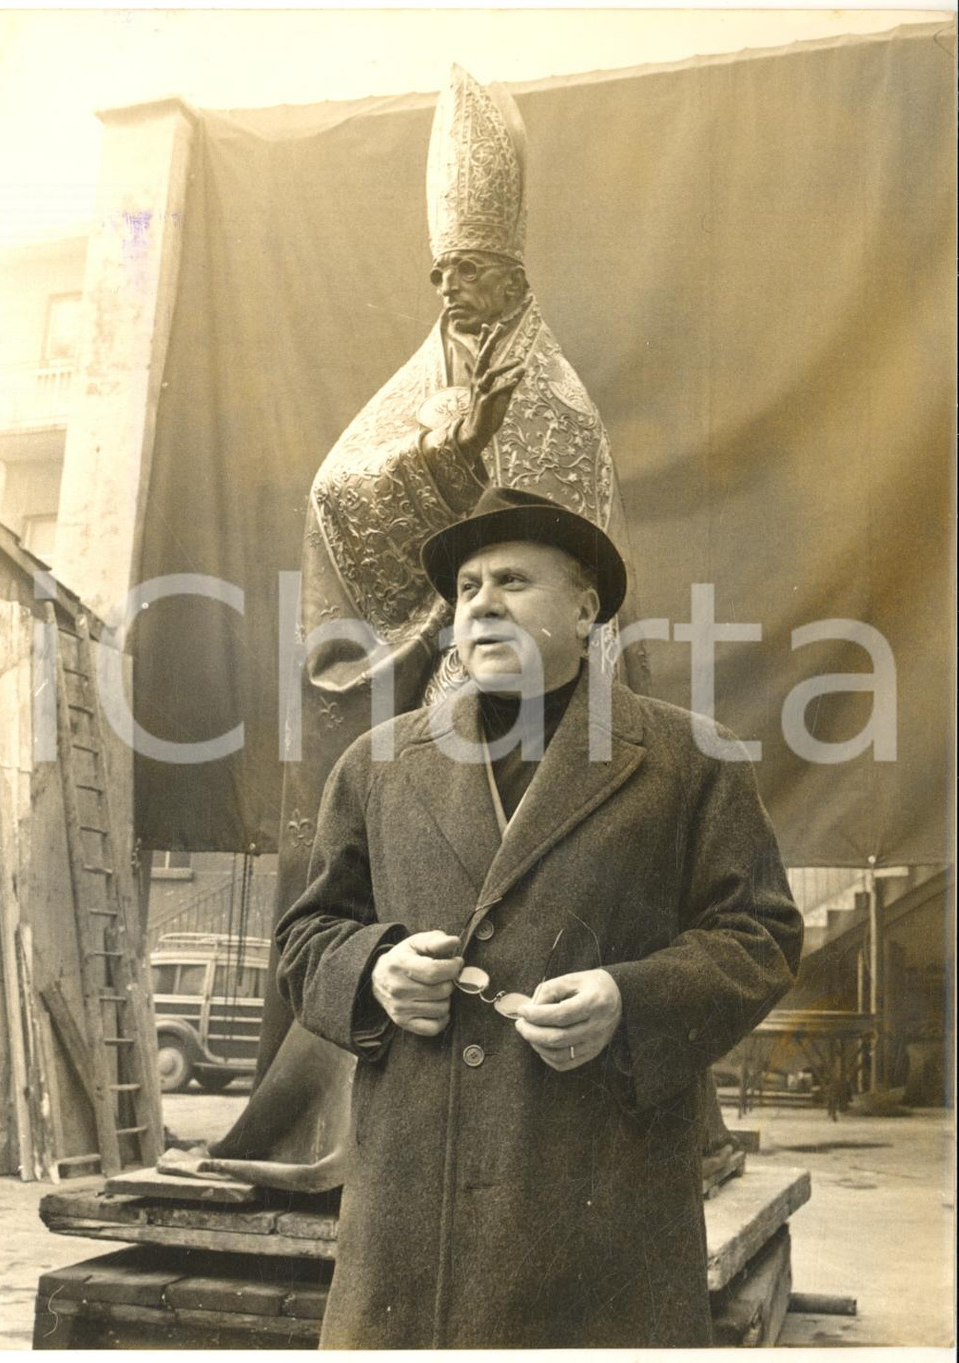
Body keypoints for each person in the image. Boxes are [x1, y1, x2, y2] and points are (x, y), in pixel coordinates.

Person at [185, 65, 648, 1188]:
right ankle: (334, 1122)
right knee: (380, 863)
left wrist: (474, 491)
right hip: (432, 684)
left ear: (515, 273)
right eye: (444, 272)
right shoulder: (418, 384)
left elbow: (559, 551)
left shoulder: (553, 400)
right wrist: (426, 461)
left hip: (532, 706)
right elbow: (342, 496)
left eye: (479, 269)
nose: (459, 290)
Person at [274, 485, 804, 1348]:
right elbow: (304, 938)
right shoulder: (375, 764)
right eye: (468, 587)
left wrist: (629, 999)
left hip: (601, 1214)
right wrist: (374, 968)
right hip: (414, 1224)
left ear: (586, 605)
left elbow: (762, 935)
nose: (482, 602)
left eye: (513, 580)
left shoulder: (692, 759)